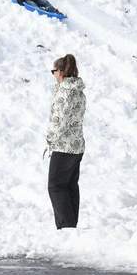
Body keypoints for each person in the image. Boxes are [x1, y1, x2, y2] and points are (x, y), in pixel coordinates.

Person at [45, 54, 86, 229]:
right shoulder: (78, 91)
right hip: (76, 145)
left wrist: (50, 139)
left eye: (53, 71)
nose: (53, 74)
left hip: (63, 145)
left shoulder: (65, 92)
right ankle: (71, 226)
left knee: (55, 186)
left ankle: (66, 227)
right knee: (69, 186)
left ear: (61, 72)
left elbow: (59, 120)